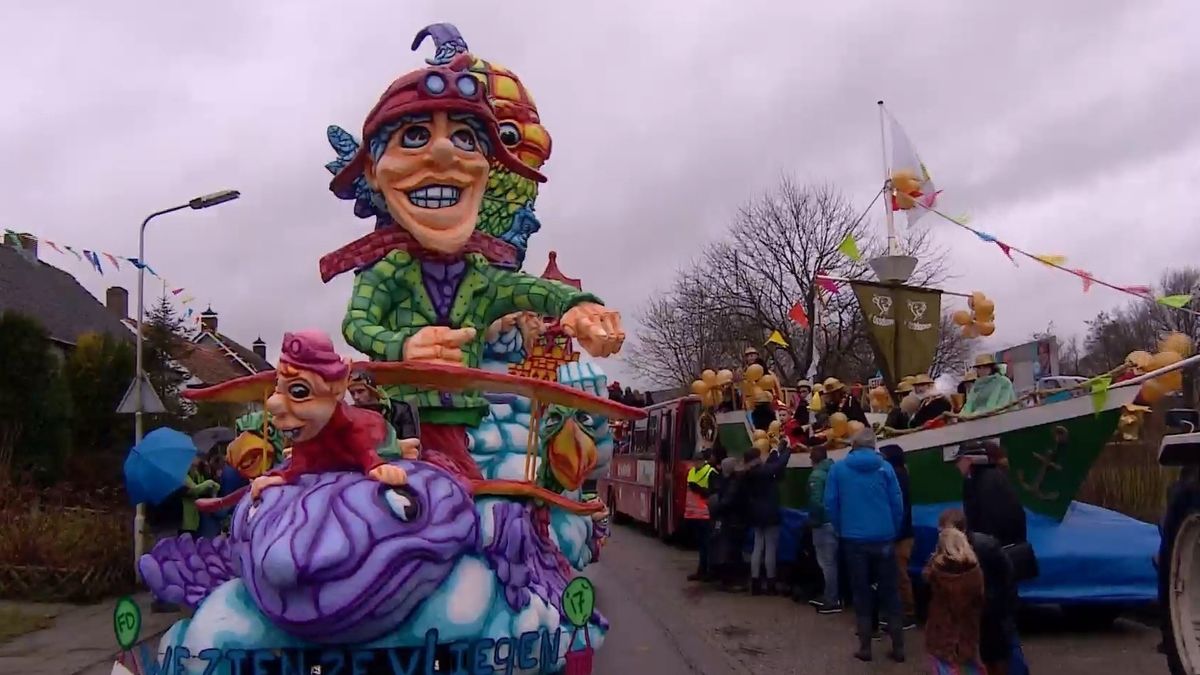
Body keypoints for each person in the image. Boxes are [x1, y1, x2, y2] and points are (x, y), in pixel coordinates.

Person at [825, 426, 906, 663]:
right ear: (873, 446)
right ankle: (899, 647)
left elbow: (831, 504)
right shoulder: (886, 467)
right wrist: (892, 529)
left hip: (854, 539)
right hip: (884, 537)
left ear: (853, 445)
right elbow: (897, 503)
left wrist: (842, 529)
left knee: (861, 593)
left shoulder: (838, 469)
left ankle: (866, 647)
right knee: (891, 592)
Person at [940, 508, 1019, 675]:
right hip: (973, 614)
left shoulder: (986, 547)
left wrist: (999, 606)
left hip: (991, 612)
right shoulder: (948, 550)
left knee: (996, 656)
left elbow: (1007, 577)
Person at [923, 526, 987, 675]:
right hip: (968, 629)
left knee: (942, 665)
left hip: (941, 631)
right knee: (969, 664)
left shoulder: (936, 573)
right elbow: (980, 600)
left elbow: (925, 578)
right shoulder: (975, 572)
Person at [954, 441, 1027, 547]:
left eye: (959, 460)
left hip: (999, 547)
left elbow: (990, 518)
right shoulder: (988, 477)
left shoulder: (984, 482)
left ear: (969, 460)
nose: (957, 465)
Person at [745, 439, 792, 595]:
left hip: (755, 513)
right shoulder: (761, 472)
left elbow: (771, 465)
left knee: (758, 547)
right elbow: (777, 467)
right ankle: (771, 582)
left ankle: (755, 582)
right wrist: (787, 451)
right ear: (755, 459)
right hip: (770, 513)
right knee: (770, 548)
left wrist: (776, 451)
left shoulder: (748, 473)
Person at [880, 445, 917, 630]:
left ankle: (908, 615)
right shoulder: (900, 474)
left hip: (900, 536)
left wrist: (894, 533)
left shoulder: (897, 477)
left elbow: (900, 509)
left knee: (900, 576)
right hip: (901, 533)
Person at [807, 443, 840, 613]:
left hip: (823, 524)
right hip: (837, 522)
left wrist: (814, 521)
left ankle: (831, 599)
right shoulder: (835, 471)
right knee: (833, 562)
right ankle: (834, 594)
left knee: (826, 563)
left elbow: (816, 503)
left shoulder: (816, 476)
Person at [708, 456, 749, 592]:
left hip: (734, 521)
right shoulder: (731, 481)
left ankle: (735, 580)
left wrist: (716, 507)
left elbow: (728, 501)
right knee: (732, 551)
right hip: (733, 520)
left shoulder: (733, 482)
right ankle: (731, 579)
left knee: (733, 551)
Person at [685, 448, 720, 582]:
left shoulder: (711, 472)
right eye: (694, 461)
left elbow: (714, 492)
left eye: (698, 461)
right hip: (694, 514)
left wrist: (699, 489)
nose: (695, 464)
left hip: (706, 514)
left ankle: (709, 571)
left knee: (707, 544)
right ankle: (702, 570)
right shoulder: (691, 472)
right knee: (701, 545)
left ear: (702, 461)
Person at [180, 457, 220, 537]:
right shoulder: (183, 477)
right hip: (186, 518)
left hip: (195, 517)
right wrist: (210, 483)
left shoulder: (196, 474)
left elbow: (205, 487)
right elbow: (194, 489)